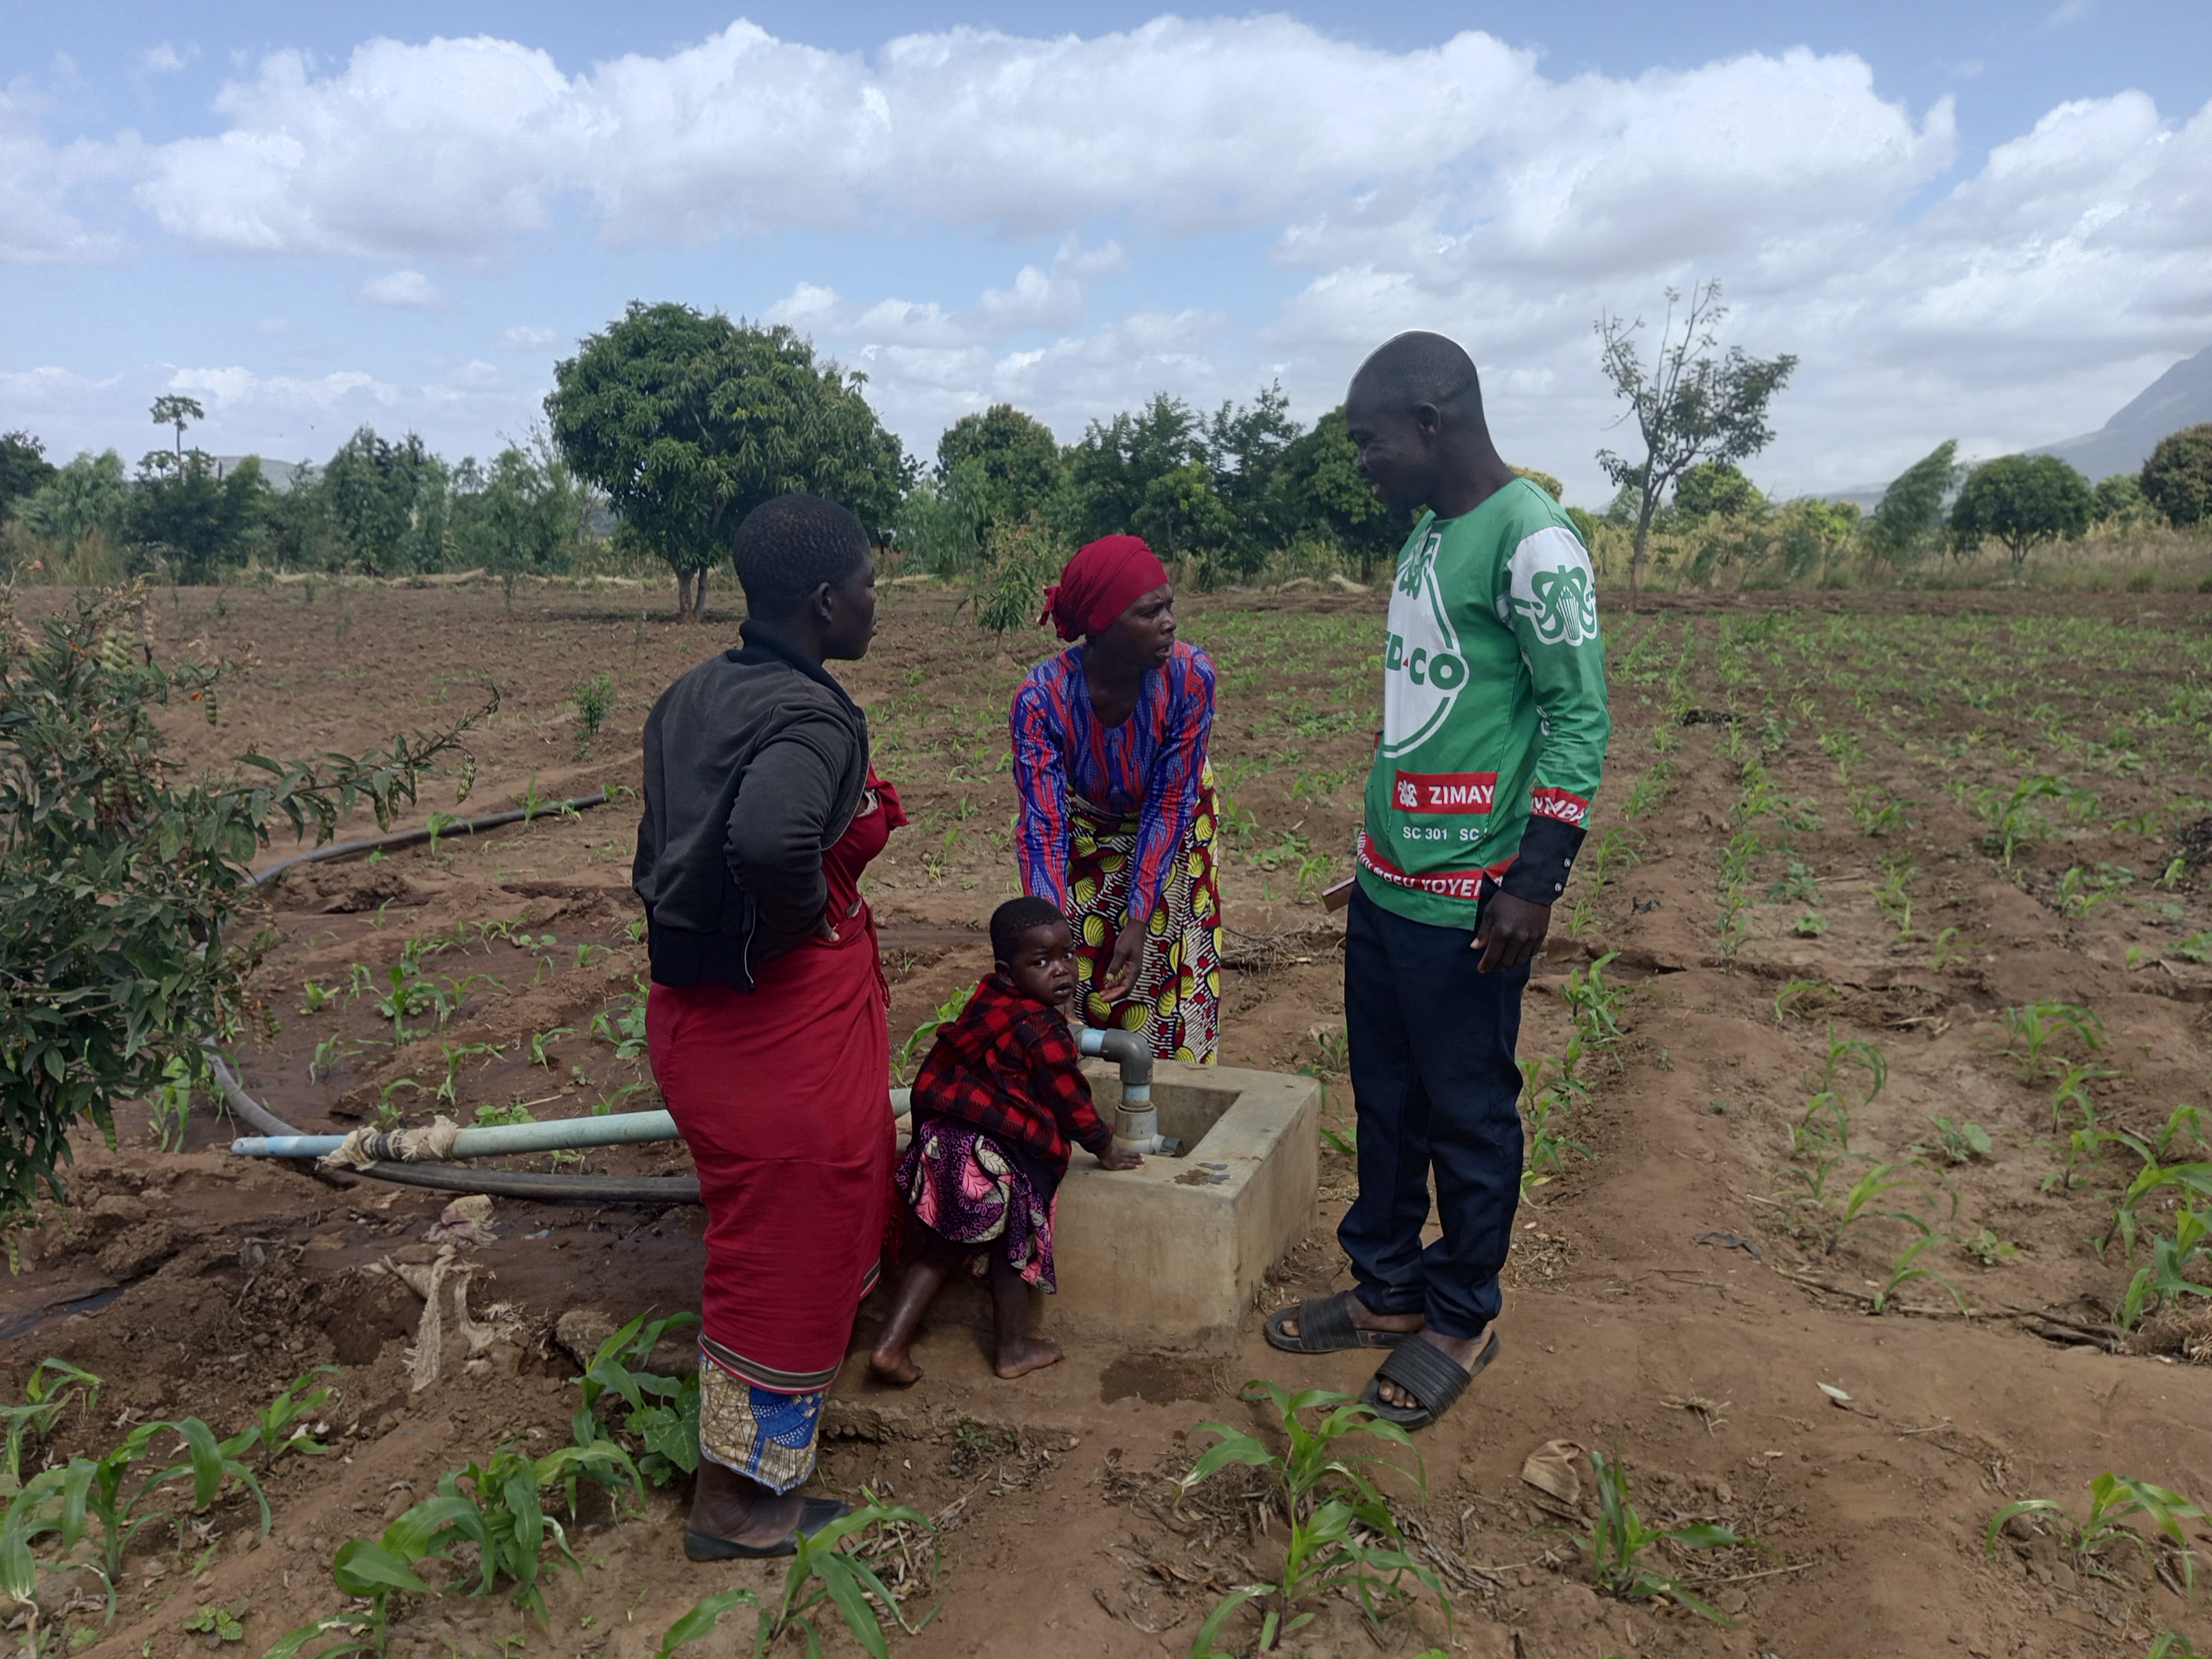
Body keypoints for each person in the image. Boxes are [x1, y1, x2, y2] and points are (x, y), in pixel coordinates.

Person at [1265, 332, 1609, 1430]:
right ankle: (1386, 1289)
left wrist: (1537, 879)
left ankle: (1459, 1315)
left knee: (1465, 1112)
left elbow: (1576, 716)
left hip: (1471, 896)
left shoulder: (1532, 542)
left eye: (1367, 442)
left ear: (1429, 420)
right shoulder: (1426, 535)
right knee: (1389, 1100)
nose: (1360, 462)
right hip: (1386, 883)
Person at [632, 492, 906, 1559]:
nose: (878, 606)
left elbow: (663, 848)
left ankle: (759, 1472)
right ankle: (739, 1508)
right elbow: (766, 837)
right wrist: (802, 925)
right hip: (775, 1034)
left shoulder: (692, 694)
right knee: (778, 1259)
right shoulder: (812, 719)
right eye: (872, 589)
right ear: (826, 600)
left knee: (779, 1242)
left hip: (702, 1020)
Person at [869, 896, 1144, 1385]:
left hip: (941, 1144)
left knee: (936, 1251)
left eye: (1067, 956)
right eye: (1041, 962)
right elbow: (1071, 1102)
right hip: (989, 1158)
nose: (1061, 971)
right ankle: (1012, 1348)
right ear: (1007, 969)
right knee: (1013, 1249)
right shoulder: (1041, 1028)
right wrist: (1105, 1148)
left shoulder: (988, 998)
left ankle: (890, 1345)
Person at [1011, 535, 1221, 1061]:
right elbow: (1044, 830)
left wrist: (1138, 918)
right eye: (1151, 612)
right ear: (1101, 628)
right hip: (1085, 826)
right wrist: (1049, 955)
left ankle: (1175, 1080)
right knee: (1067, 963)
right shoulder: (1042, 700)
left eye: (1170, 605)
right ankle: (1081, 1085)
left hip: (1175, 824)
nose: (1170, 621)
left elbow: (1170, 802)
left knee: (1163, 962)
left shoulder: (1190, 679)